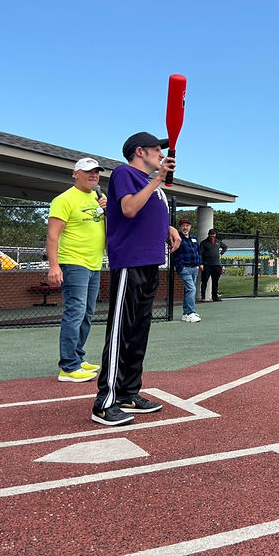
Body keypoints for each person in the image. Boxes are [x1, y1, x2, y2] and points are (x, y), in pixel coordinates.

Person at [92, 132, 181, 426]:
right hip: (130, 262)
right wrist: (158, 180)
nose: (161, 154)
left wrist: (168, 227)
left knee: (138, 332)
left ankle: (129, 392)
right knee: (121, 331)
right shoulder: (125, 173)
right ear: (140, 151)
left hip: (150, 262)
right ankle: (105, 402)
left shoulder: (147, 182)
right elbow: (129, 209)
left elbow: (146, 212)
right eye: (157, 149)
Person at [47, 157, 107, 383]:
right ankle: (68, 367)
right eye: (88, 172)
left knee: (87, 314)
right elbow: (53, 235)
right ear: (75, 173)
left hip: (94, 264)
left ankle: (78, 358)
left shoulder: (99, 198)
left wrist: (108, 211)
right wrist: (54, 266)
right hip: (73, 263)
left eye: (96, 173)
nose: (93, 176)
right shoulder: (64, 200)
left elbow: (108, 230)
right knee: (75, 312)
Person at [172, 217, 202, 322]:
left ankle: (185, 314)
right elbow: (174, 254)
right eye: (183, 226)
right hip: (184, 268)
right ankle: (191, 312)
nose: (185, 228)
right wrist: (181, 266)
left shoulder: (194, 238)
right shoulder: (178, 239)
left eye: (187, 226)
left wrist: (199, 264)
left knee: (188, 291)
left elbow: (198, 251)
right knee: (192, 289)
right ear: (180, 227)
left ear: (190, 227)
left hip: (194, 268)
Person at [199, 228, 228, 301]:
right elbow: (200, 254)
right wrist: (201, 264)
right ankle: (203, 297)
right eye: (211, 234)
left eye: (213, 234)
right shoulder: (204, 243)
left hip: (216, 265)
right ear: (209, 234)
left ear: (215, 234)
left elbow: (225, 247)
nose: (212, 235)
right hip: (207, 265)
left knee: (215, 282)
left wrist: (221, 254)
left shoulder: (218, 242)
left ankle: (215, 296)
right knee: (204, 281)